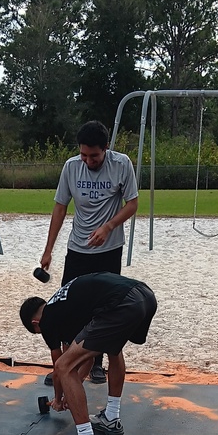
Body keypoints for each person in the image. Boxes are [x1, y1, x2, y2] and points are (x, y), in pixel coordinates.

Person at [19, 272, 157, 435]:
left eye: (38, 332)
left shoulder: (48, 319)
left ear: (35, 324)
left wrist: (58, 399)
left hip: (122, 302)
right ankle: (111, 417)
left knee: (64, 365)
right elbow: (88, 360)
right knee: (113, 348)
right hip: (144, 295)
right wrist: (73, 388)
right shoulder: (65, 305)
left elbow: (59, 369)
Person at [39, 120, 138, 387]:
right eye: (83, 154)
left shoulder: (121, 164)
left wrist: (108, 227)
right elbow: (60, 207)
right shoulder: (71, 167)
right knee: (68, 308)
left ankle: (96, 364)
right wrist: (48, 250)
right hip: (77, 249)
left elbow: (132, 204)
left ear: (106, 148)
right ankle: (66, 365)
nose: (88, 160)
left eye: (94, 156)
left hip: (109, 249)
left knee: (104, 309)